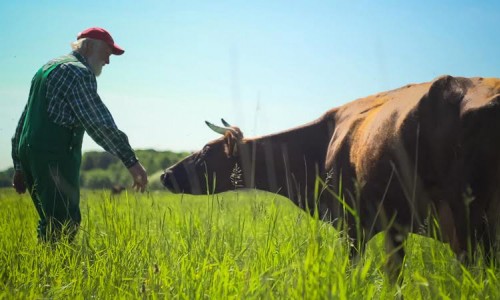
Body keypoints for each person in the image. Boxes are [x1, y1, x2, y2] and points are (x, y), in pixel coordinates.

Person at [11, 27, 148, 242]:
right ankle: (55, 272)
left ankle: (45, 267)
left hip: (31, 153)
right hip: (54, 157)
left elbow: (24, 120)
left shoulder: (46, 68)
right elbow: (99, 123)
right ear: (90, 46)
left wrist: (19, 165)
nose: (108, 61)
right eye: (107, 53)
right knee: (65, 222)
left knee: (51, 219)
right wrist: (131, 161)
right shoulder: (78, 72)